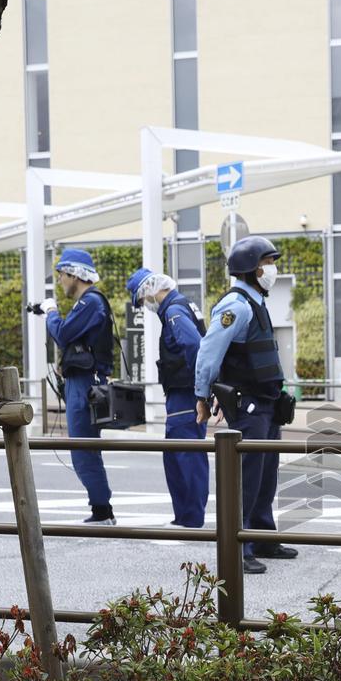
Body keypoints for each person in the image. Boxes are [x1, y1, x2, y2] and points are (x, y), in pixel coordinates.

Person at [194, 235, 297, 575]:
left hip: (267, 403)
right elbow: (209, 353)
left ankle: (263, 536)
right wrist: (202, 396)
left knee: (266, 474)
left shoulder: (257, 302)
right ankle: (239, 546)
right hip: (249, 403)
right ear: (251, 269)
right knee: (247, 477)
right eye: (266, 263)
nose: (271, 268)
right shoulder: (235, 306)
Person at [127, 268, 208, 528]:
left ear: (149, 289)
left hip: (185, 395)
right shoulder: (184, 305)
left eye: (141, 299)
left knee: (184, 455)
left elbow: (195, 346)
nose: (145, 305)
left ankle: (190, 518)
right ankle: (186, 516)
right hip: (186, 393)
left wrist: (201, 390)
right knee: (181, 453)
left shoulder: (173, 310)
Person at [41, 248, 116, 525]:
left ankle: (102, 510)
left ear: (75, 274)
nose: (61, 281)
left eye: (62, 275)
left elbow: (62, 333)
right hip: (84, 382)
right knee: (85, 447)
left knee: (83, 448)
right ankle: (101, 508)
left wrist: (50, 313)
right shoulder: (89, 304)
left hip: (84, 386)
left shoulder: (90, 302)